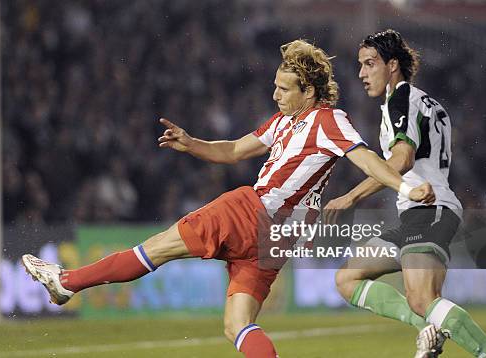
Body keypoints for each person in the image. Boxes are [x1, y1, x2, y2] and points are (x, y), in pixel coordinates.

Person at [22, 38, 434, 358]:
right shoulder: (285, 122)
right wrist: (192, 143)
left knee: (156, 248)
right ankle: (67, 284)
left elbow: (367, 160)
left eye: (283, 89)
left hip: (251, 210)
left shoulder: (327, 120)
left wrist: (405, 187)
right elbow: (235, 149)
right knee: (237, 326)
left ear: (308, 91)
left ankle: (67, 282)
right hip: (275, 241)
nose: (275, 95)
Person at [326, 29, 486, 358]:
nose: (362, 73)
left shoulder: (401, 99)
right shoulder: (428, 102)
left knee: (423, 298)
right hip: (415, 213)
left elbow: (402, 158)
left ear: (392, 65)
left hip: (429, 208)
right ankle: (427, 330)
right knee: (347, 277)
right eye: (360, 65)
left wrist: (351, 197)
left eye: (369, 64)